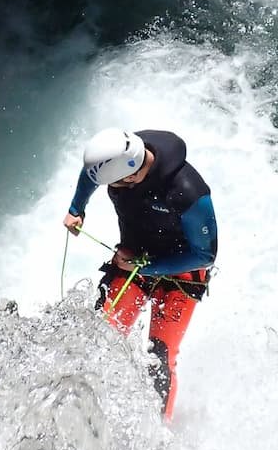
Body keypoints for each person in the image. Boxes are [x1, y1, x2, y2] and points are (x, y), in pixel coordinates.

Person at [63, 128, 217, 420]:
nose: (113, 187)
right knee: (98, 339)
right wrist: (76, 208)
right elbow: (91, 175)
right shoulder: (121, 156)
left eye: (116, 184)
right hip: (133, 260)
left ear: (132, 176)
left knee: (158, 358)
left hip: (179, 273)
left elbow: (205, 255)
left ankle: (159, 435)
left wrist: (145, 267)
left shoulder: (188, 191)